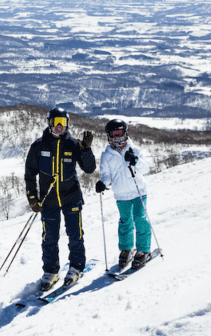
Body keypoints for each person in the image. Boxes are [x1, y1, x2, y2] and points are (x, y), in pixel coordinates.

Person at [25, 106, 96, 289]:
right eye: (55, 123)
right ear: (49, 123)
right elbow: (30, 173)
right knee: (49, 238)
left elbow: (89, 169)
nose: (59, 126)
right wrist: (33, 197)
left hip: (71, 197)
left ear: (67, 124)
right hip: (48, 200)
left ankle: (76, 267)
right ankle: (51, 271)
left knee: (75, 235)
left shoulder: (73, 144)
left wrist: (86, 151)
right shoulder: (39, 146)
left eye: (62, 123)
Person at [95, 119, 152, 269]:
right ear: (109, 135)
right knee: (125, 221)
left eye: (119, 133)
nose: (117, 137)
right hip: (121, 194)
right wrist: (103, 183)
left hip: (138, 191)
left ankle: (143, 250)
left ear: (125, 133)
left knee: (140, 219)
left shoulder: (134, 150)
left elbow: (146, 169)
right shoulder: (107, 155)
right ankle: (126, 249)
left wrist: (135, 161)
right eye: (114, 134)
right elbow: (106, 175)